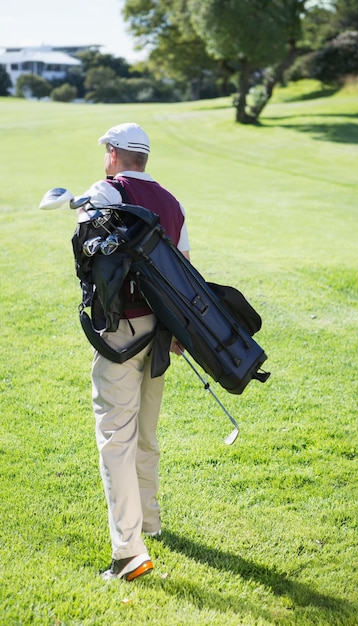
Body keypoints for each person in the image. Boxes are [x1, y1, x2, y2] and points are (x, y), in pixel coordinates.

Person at [78, 122, 190, 581]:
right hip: (163, 332)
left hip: (122, 330)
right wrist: (182, 329)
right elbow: (185, 270)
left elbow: (88, 256)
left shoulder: (103, 191)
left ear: (113, 153)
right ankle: (149, 521)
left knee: (116, 437)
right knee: (145, 430)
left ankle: (129, 551)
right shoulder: (172, 202)